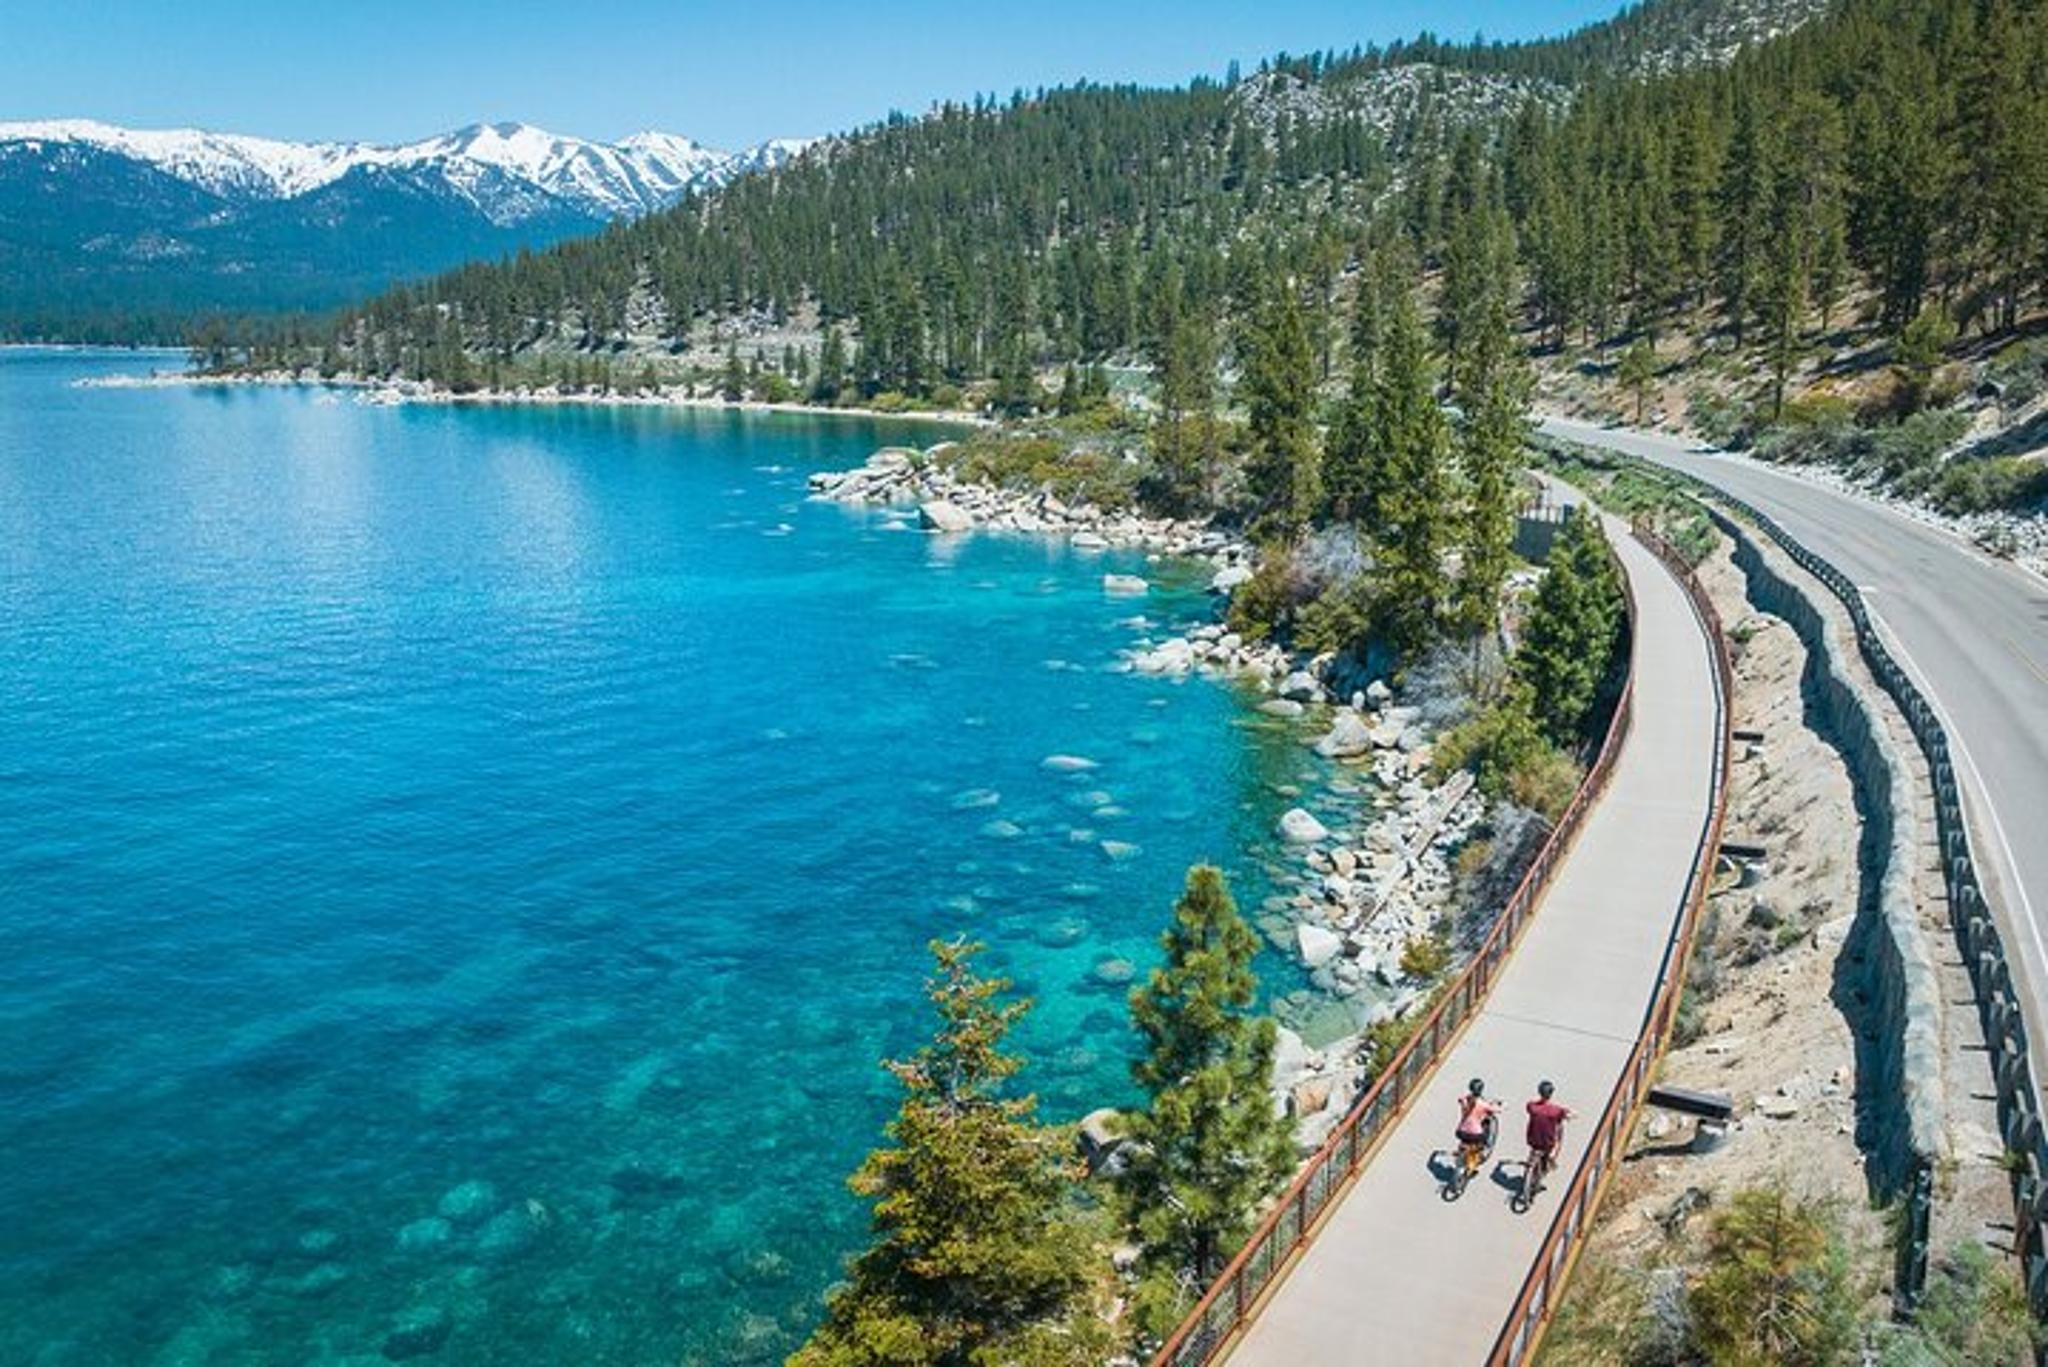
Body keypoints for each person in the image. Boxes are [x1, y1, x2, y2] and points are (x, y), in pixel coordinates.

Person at [1525, 1080, 1573, 1174]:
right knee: (1559, 1139)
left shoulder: (1531, 1106)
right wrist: (1572, 1115)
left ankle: (1533, 1160)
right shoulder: (1556, 1110)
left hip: (1532, 1139)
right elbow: (1566, 1113)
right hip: (1548, 1142)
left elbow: (1529, 1108)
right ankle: (1552, 1158)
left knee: (1535, 1147)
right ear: (1551, 1094)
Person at [1455, 1077, 1499, 1157]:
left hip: (1460, 1132)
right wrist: (1503, 1106)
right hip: (1475, 1134)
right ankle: (1482, 1148)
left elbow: (1461, 1099)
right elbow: (1496, 1110)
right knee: (1485, 1130)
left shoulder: (1465, 1100)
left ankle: (1462, 1148)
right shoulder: (1483, 1105)